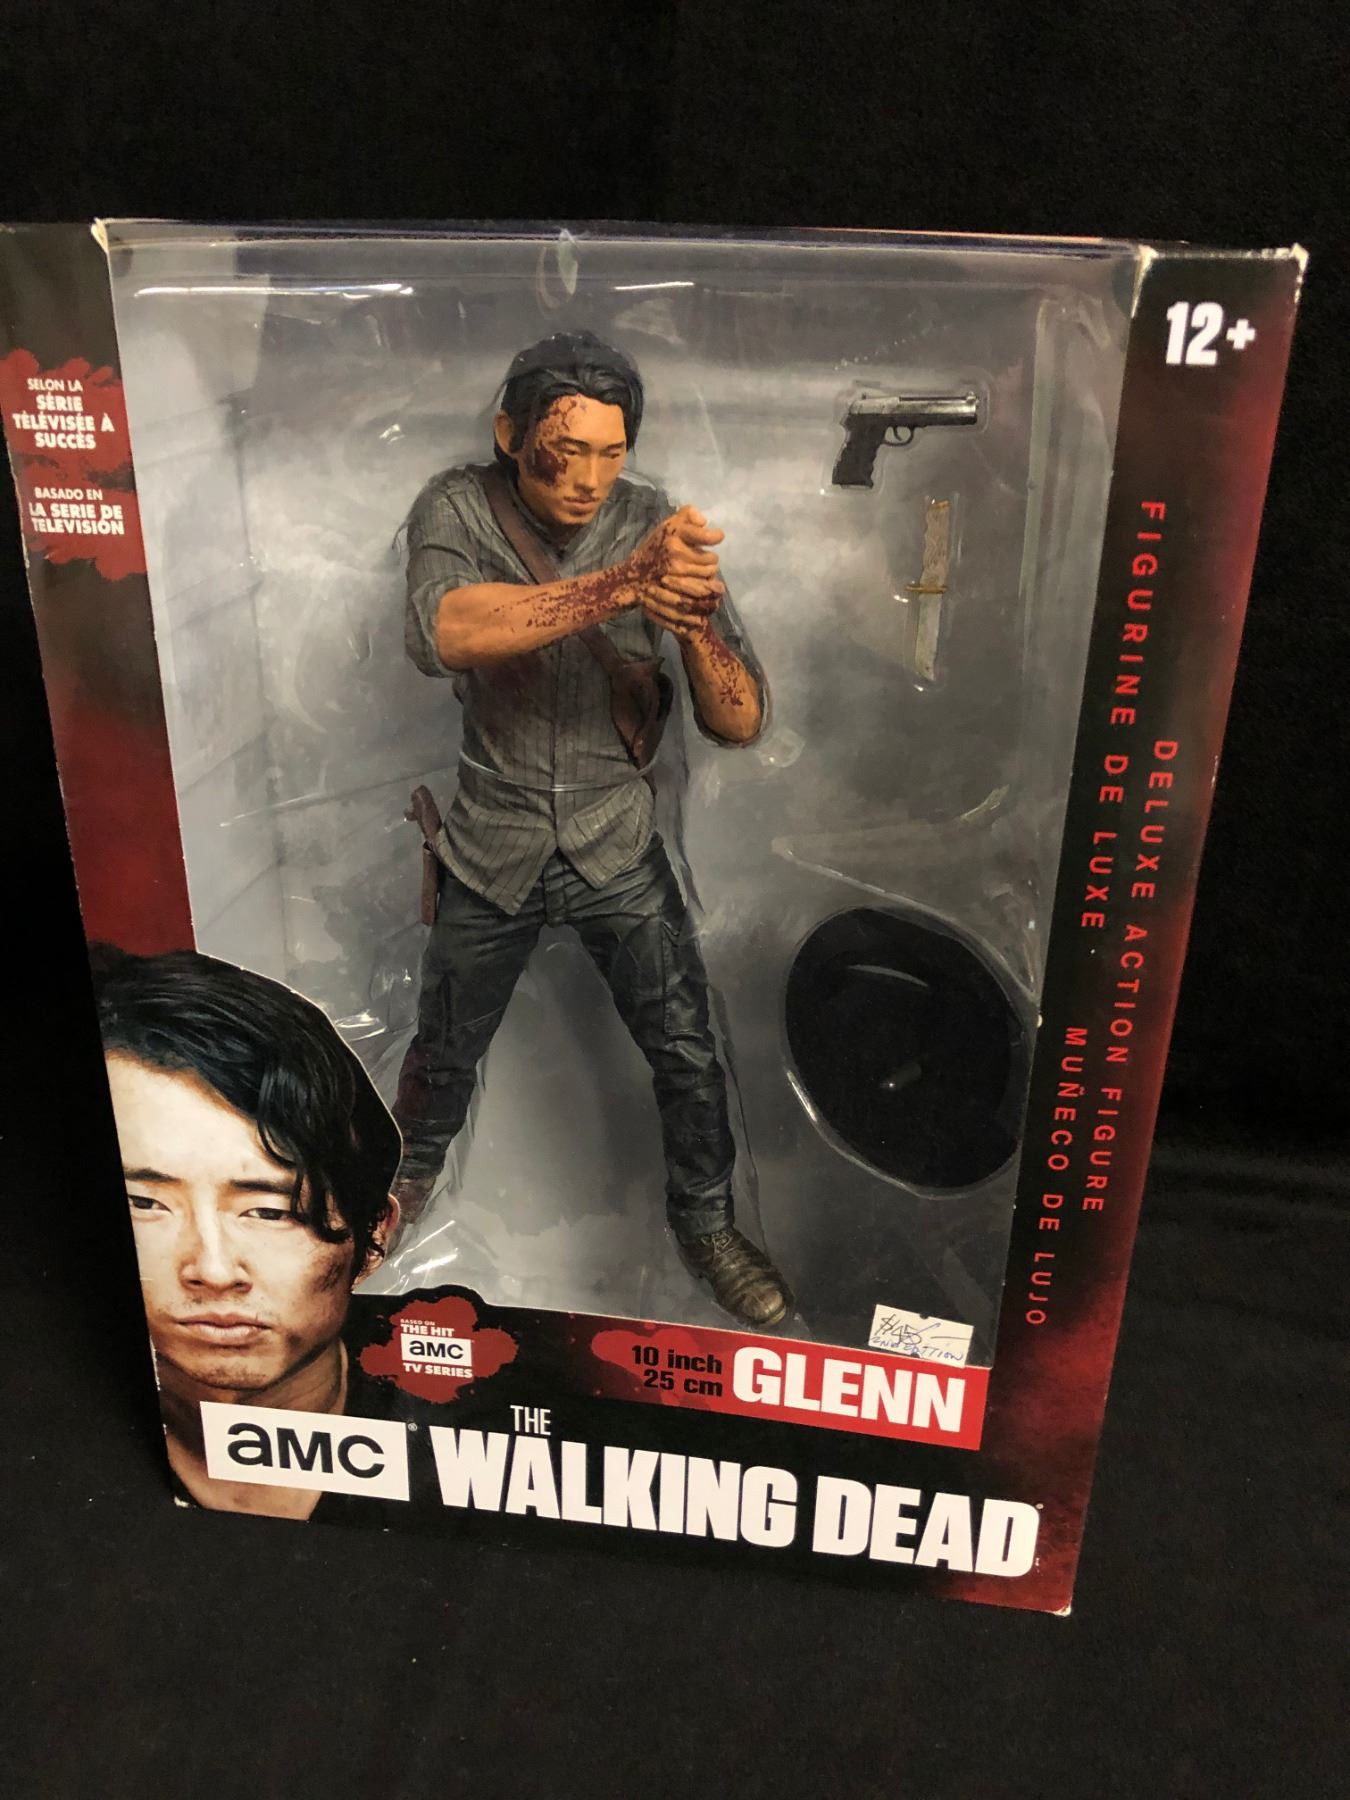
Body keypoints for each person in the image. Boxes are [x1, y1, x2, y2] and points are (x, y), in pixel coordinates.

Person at [394, 331, 791, 1328]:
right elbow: (444, 632)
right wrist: (622, 585)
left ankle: (707, 1224)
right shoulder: (456, 506)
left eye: (609, 453)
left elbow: (741, 720)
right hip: (492, 842)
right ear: (510, 433)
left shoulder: (651, 521)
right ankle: (399, 1192)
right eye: (563, 450)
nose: (586, 479)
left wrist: (694, 621)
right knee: (442, 1050)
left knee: (688, 1053)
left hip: (614, 840)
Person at [93, 945, 403, 1519]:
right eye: (144, 1203)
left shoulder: (487, 1429)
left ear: (373, 1237)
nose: (212, 1271)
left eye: (269, 1212)